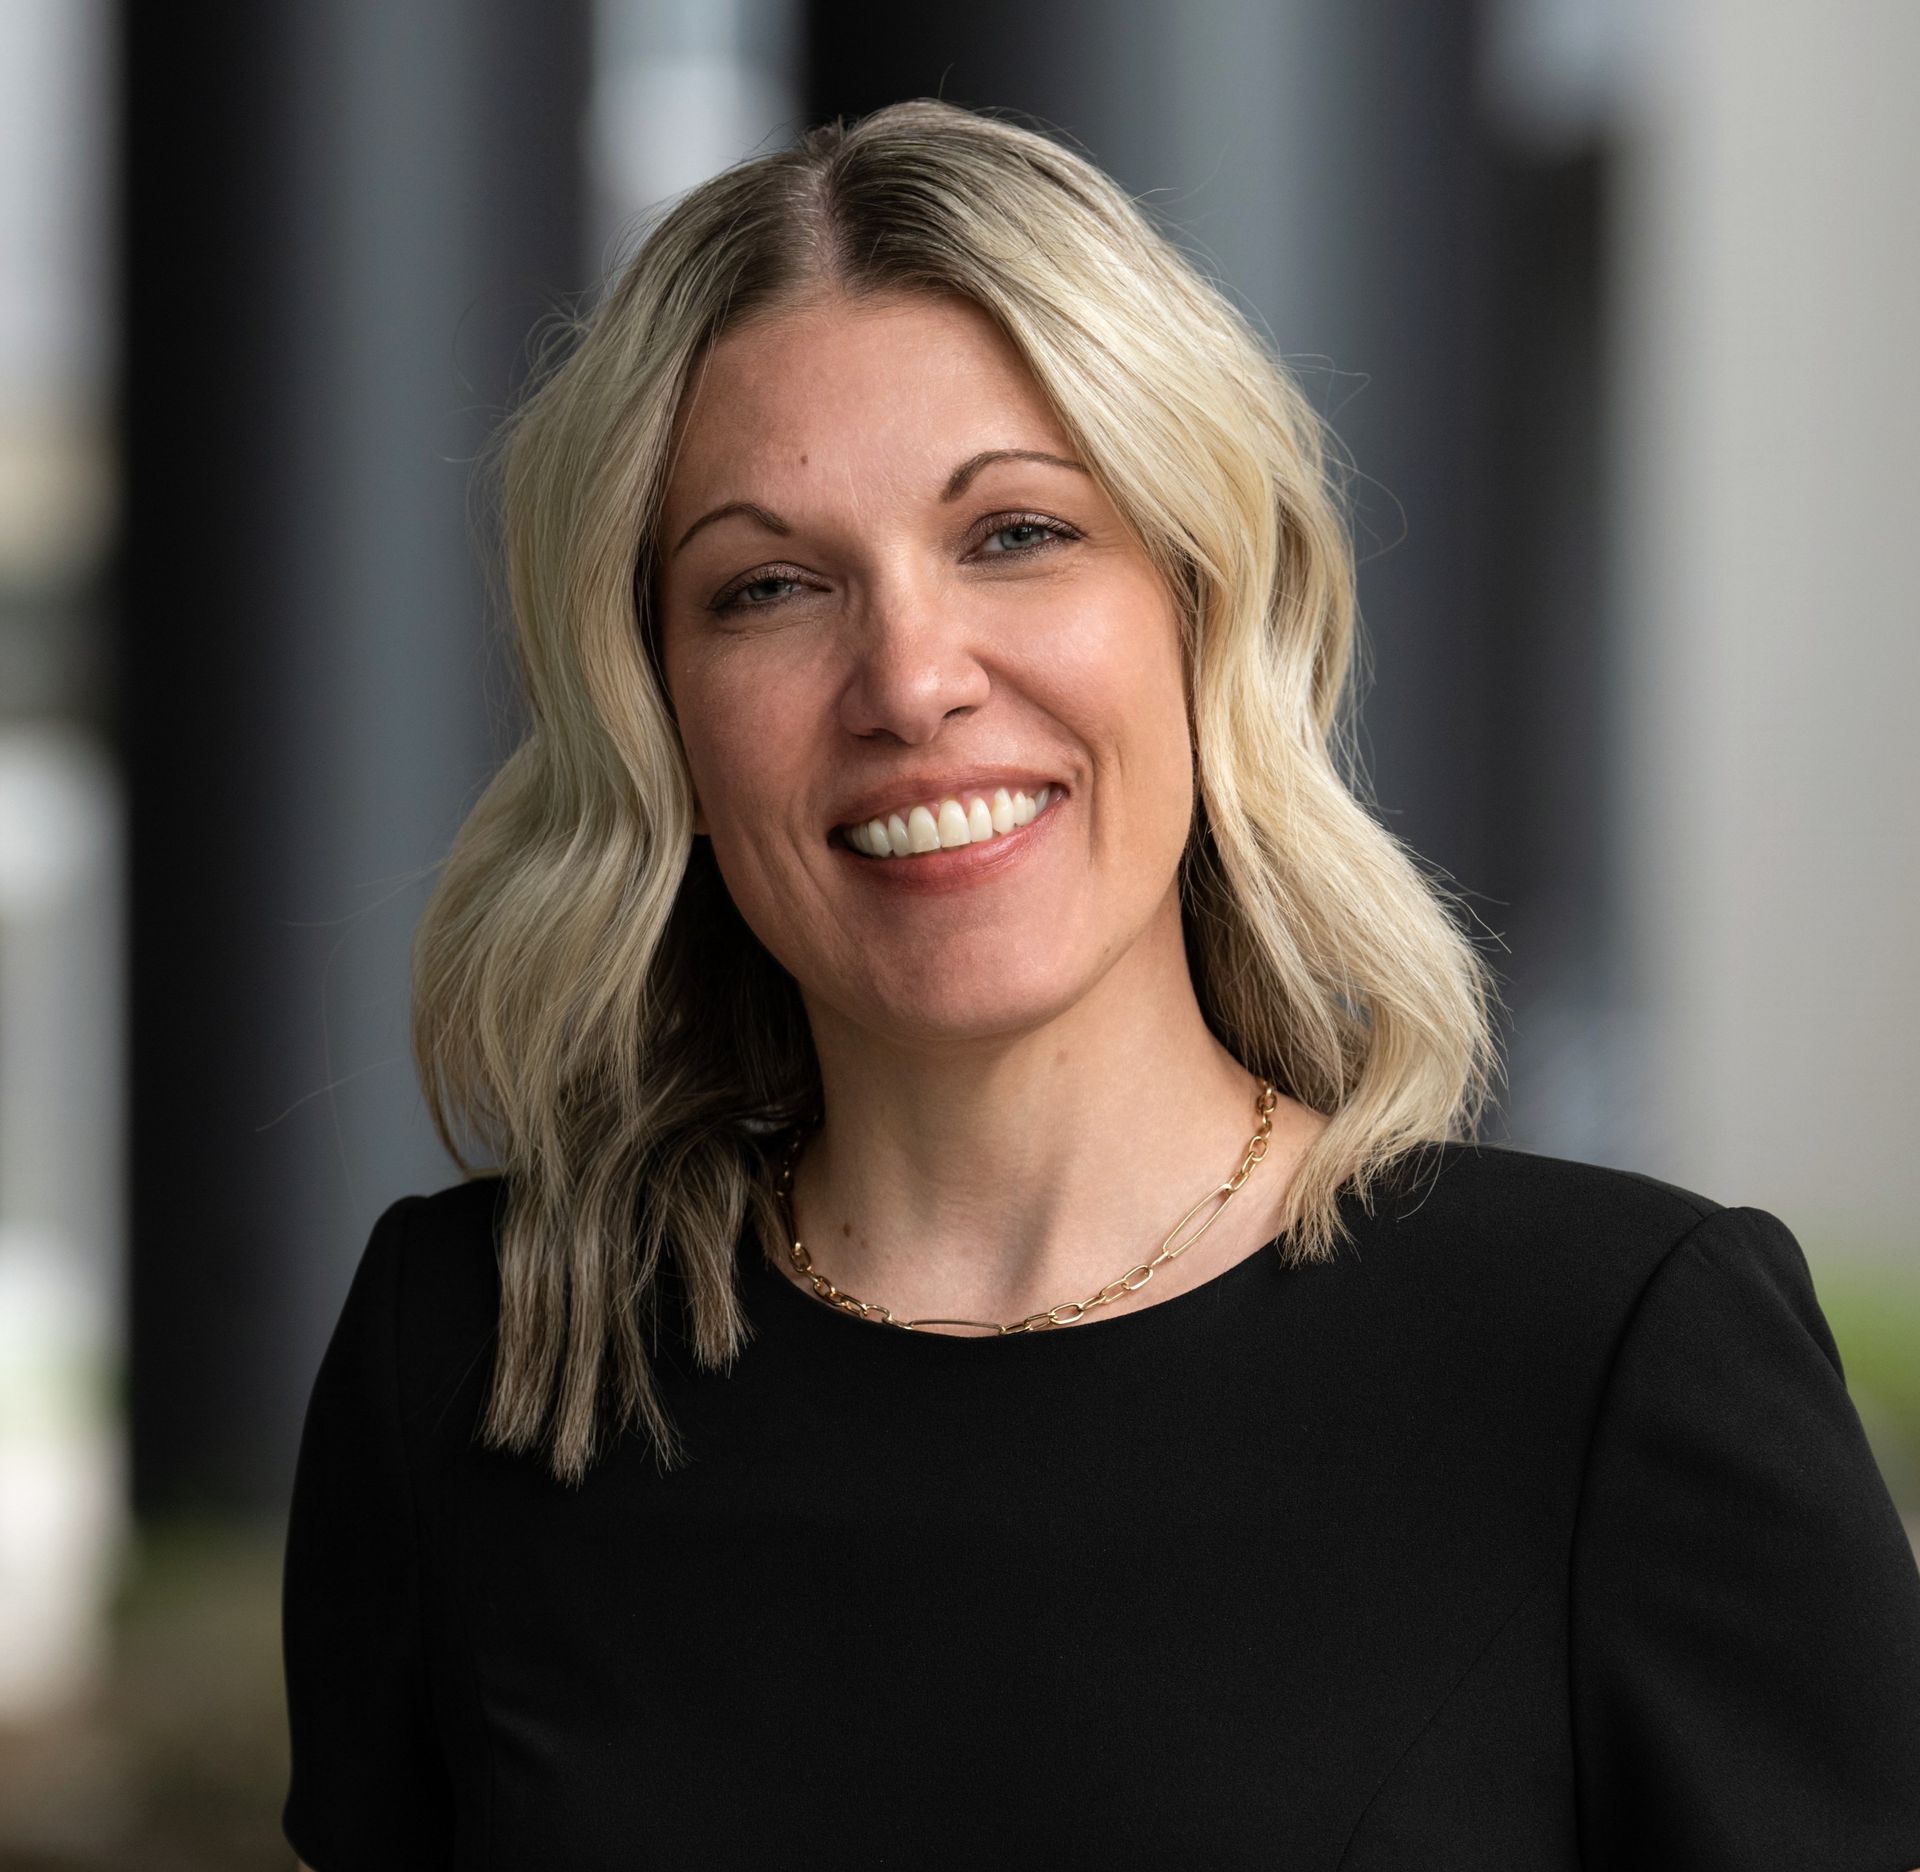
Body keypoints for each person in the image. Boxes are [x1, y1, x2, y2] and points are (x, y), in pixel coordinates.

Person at [279, 98, 1920, 1870]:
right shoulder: (475, 1361)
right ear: (654, 715)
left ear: (1203, 607)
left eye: (1017, 535)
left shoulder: (1612, 1358)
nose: (910, 680)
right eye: (766, 587)